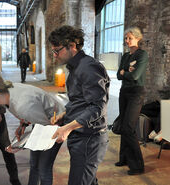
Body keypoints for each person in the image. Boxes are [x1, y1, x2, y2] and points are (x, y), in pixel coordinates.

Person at [0, 72, 65, 185]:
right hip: (41, 120)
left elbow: (45, 133)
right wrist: (23, 124)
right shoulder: (7, 92)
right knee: (34, 164)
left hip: (55, 126)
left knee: (43, 169)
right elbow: (32, 112)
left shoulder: (23, 105)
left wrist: (21, 145)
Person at [48, 25, 110, 185]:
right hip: (81, 135)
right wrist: (64, 116)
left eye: (57, 51)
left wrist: (67, 128)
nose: (55, 55)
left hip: (89, 138)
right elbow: (79, 101)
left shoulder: (88, 67)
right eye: (53, 51)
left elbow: (97, 108)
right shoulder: (75, 67)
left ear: (72, 46)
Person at [115, 27, 148, 175]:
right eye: (126, 39)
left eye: (129, 38)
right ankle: (125, 158)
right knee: (123, 124)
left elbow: (135, 76)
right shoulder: (125, 56)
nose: (127, 41)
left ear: (137, 38)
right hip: (124, 92)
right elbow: (118, 75)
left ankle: (137, 166)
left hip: (136, 93)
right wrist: (126, 71)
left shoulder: (142, 54)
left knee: (129, 127)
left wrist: (125, 72)